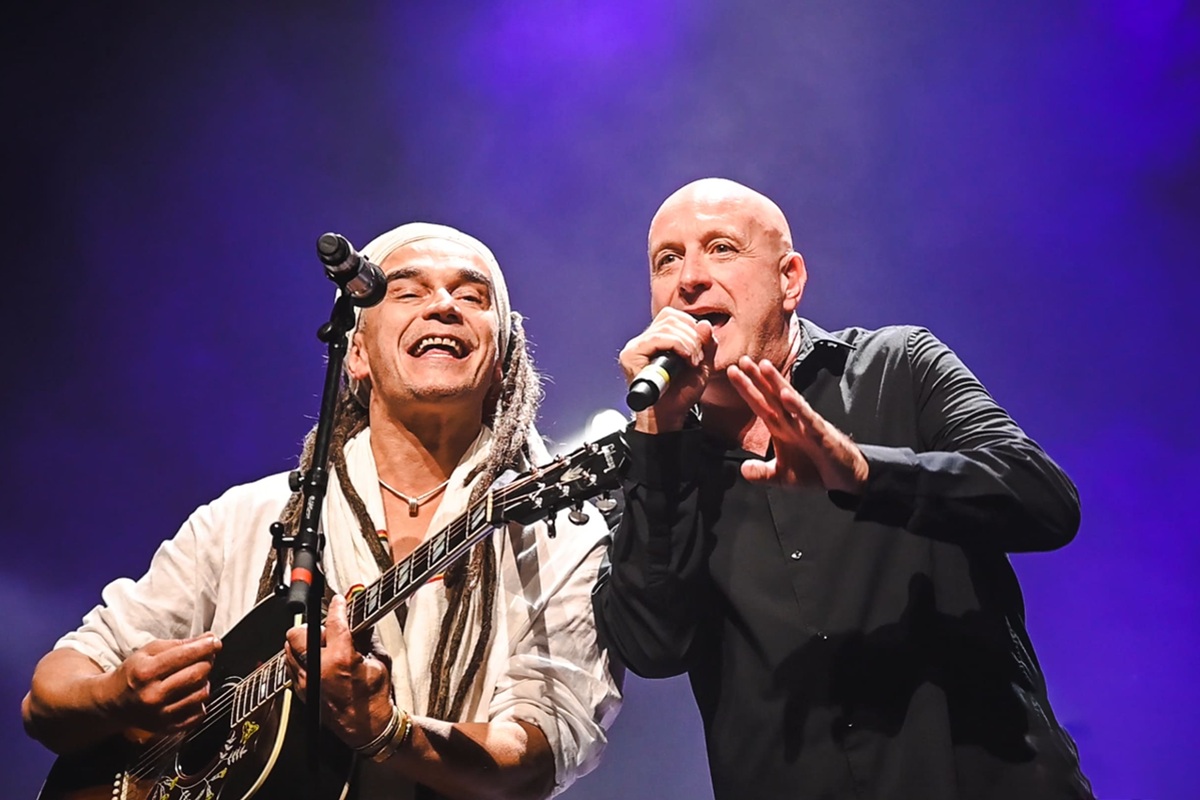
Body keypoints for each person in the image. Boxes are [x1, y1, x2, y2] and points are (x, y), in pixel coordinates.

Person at [23, 222, 621, 800]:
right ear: (356, 352)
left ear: (502, 361)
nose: (443, 306)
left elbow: (539, 755)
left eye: (471, 296)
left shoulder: (559, 537)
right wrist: (115, 696)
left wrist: (388, 732)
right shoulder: (245, 519)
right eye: (407, 292)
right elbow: (47, 696)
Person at [592, 178, 1093, 799]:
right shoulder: (659, 460)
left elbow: (1044, 501)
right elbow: (653, 647)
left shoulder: (899, 366)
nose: (689, 278)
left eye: (721, 248)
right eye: (667, 260)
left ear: (790, 280)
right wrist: (660, 436)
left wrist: (864, 473)